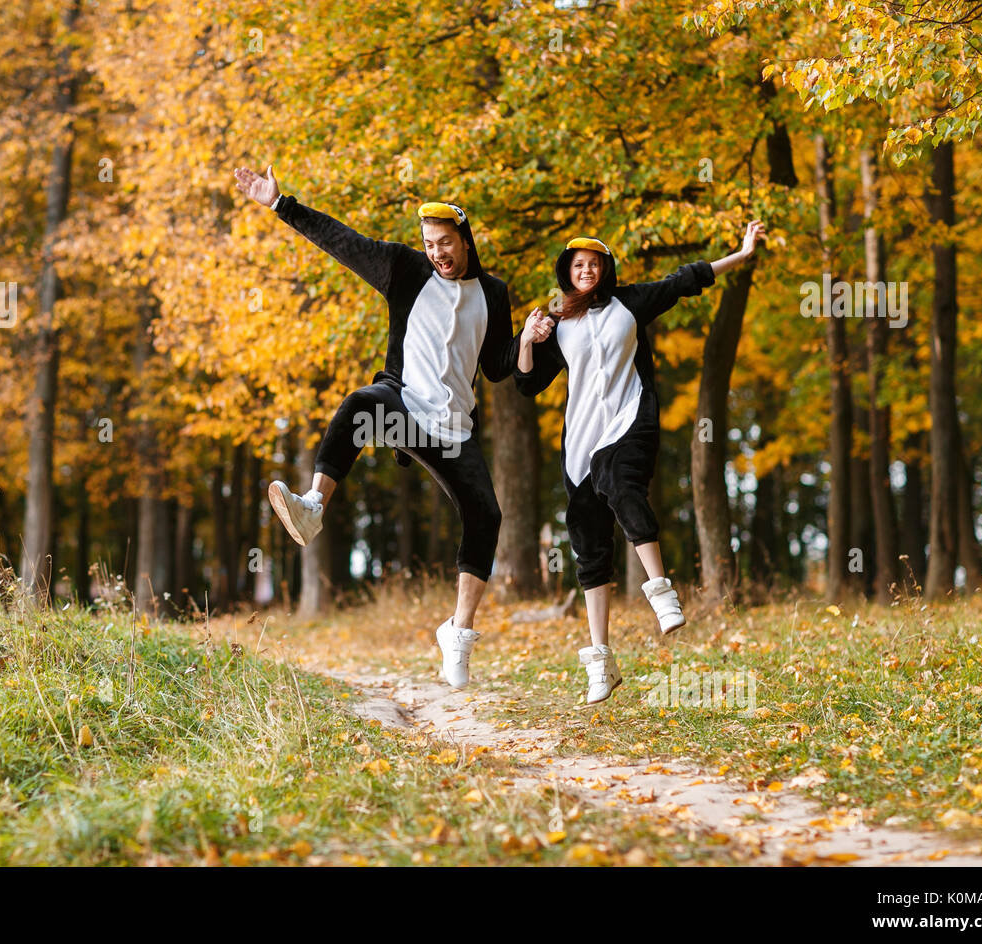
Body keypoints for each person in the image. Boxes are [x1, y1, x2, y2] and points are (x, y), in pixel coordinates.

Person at [232, 164, 520, 689]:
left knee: (487, 515)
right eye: (431, 243)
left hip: (455, 428)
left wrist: (530, 342)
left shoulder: (494, 294)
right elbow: (342, 241)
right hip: (406, 405)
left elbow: (499, 366)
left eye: (447, 243)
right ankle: (314, 506)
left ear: (466, 241)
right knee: (360, 405)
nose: (438, 253)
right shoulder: (403, 269)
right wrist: (280, 205)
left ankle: (458, 633)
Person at [515, 223, 767, 704]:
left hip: (629, 420)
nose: (586, 270)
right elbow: (526, 385)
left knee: (621, 484)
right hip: (580, 442)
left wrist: (741, 253)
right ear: (567, 273)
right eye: (577, 265)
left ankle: (661, 591)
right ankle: (601, 662)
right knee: (588, 546)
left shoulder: (630, 302)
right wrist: (527, 339)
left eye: (594, 264)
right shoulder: (557, 319)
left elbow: (686, 278)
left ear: (605, 270)